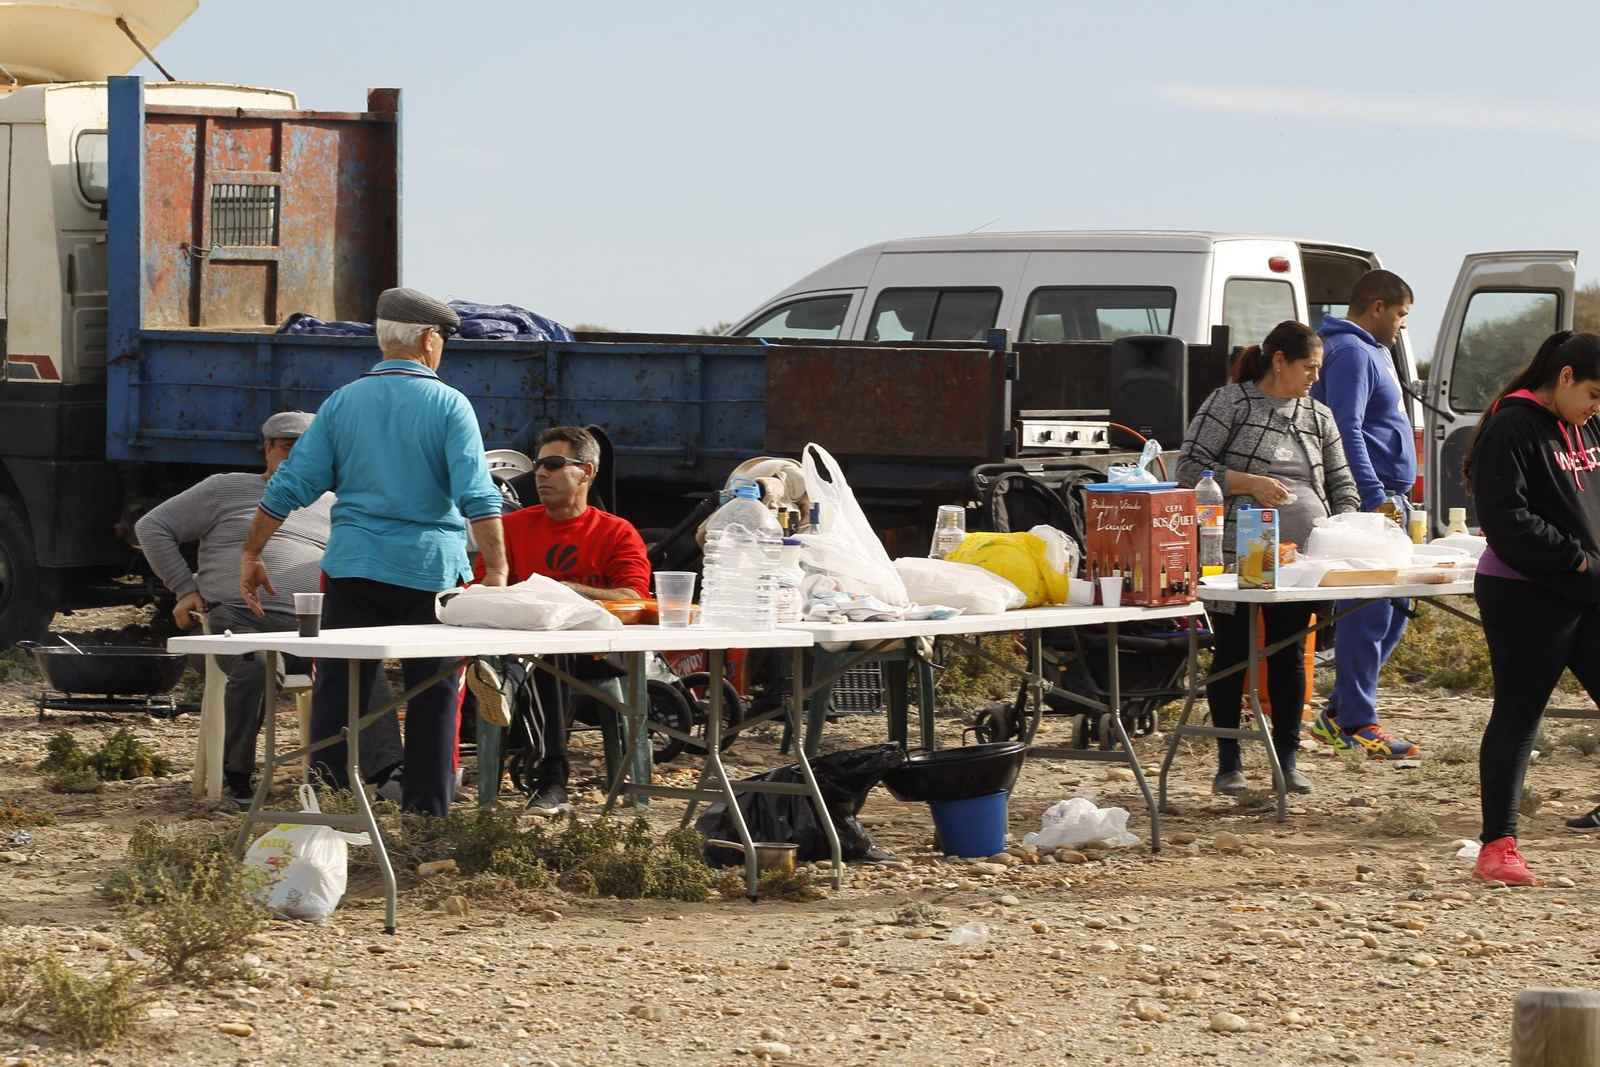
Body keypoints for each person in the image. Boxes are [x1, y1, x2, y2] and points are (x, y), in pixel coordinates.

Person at [239, 287, 508, 818]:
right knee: (433, 695)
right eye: (444, 340)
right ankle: (425, 817)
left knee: (339, 688)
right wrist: (496, 568)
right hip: (431, 572)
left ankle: (330, 811)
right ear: (429, 340)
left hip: (353, 568)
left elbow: (290, 485)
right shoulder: (450, 404)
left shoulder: (341, 403)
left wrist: (251, 552)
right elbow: (477, 493)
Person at [137, 413, 401, 807]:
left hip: (312, 628)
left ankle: (387, 774)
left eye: (308, 451)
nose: (297, 458)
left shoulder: (334, 503)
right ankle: (237, 775)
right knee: (258, 662)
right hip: (237, 620)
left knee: (362, 657)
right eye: (287, 448)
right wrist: (184, 588)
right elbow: (151, 527)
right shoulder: (225, 489)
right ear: (268, 449)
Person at [1179, 320, 1360, 795]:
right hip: (1237, 550)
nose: (1314, 378)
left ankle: (1287, 760)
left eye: (1318, 369)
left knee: (1287, 655)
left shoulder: (1318, 415)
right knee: (1234, 651)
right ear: (1278, 360)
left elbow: (1342, 483)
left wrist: (1346, 530)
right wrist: (1246, 482)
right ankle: (1229, 762)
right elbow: (1188, 468)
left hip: (1301, 559)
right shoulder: (1230, 402)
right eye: (1309, 367)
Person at [1463, 330, 1600, 885]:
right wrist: (1580, 561)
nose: (1597, 407)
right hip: (1524, 592)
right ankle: (1497, 848)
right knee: (1521, 717)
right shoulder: (1512, 425)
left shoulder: (1585, 424)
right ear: (1564, 378)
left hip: (1587, 590)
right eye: (1593, 393)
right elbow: (1507, 520)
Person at [468, 426, 652, 811]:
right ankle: (549, 777)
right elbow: (480, 590)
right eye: (538, 464)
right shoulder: (511, 528)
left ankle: (552, 774)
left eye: (553, 464)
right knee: (543, 644)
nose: (539, 473)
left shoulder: (616, 532)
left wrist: (567, 592)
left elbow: (634, 598)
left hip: (599, 653)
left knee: (554, 639)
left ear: (585, 471)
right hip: (523, 648)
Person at [1308, 269, 1422, 760]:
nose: (1400, 326)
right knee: (1371, 605)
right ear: (1377, 307)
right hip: (1367, 498)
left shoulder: (1370, 350)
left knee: (1396, 604)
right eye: (1399, 315)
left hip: (1389, 496)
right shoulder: (1352, 351)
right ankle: (1355, 719)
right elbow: (1345, 426)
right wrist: (1371, 491)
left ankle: (1340, 712)